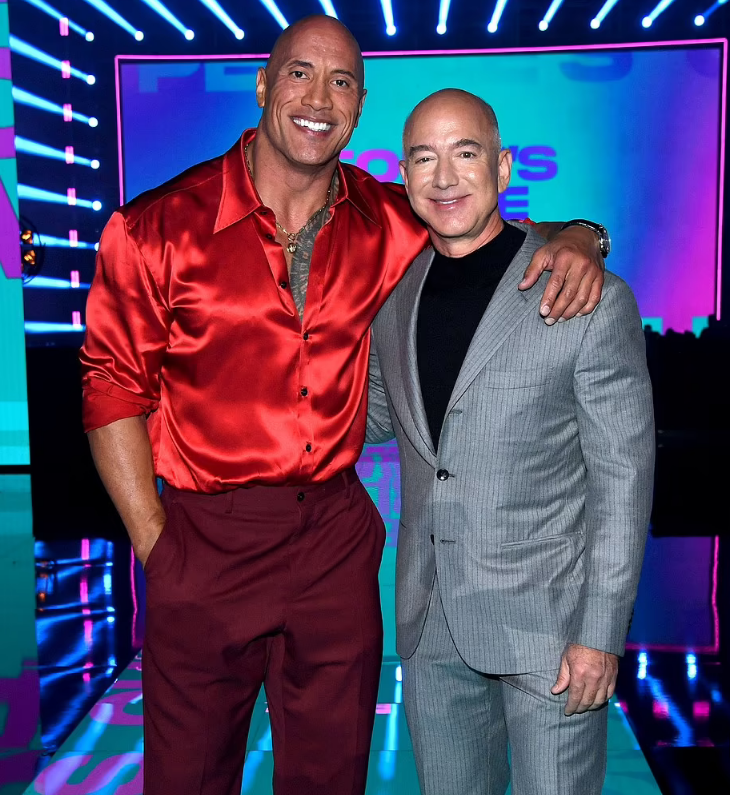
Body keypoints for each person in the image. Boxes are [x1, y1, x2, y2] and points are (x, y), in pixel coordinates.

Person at [80, 16, 608, 795]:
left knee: (330, 778)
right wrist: (158, 546)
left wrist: (584, 235)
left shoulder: (389, 217)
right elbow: (111, 388)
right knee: (187, 776)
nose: (319, 98)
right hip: (206, 538)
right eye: (300, 73)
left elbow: (492, 228)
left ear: (359, 107)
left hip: (334, 541)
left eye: (341, 82)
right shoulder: (155, 226)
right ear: (264, 84)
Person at [366, 89, 655, 795]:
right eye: (423, 158)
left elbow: (623, 482)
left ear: (502, 169)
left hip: (552, 633)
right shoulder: (393, 299)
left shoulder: (586, 295)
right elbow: (366, 417)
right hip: (432, 624)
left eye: (464, 153)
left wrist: (600, 635)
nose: (444, 177)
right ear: (403, 176)